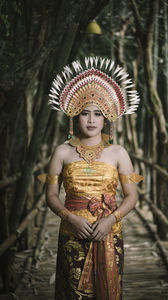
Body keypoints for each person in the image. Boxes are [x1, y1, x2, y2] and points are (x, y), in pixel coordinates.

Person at [42, 57, 143, 300]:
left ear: (106, 117)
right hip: (72, 232)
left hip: (109, 231)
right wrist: (71, 218)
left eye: (97, 114)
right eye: (85, 113)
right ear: (74, 116)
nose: (91, 119)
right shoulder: (62, 152)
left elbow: (132, 195)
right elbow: (51, 195)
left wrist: (110, 220)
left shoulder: (118, 152)